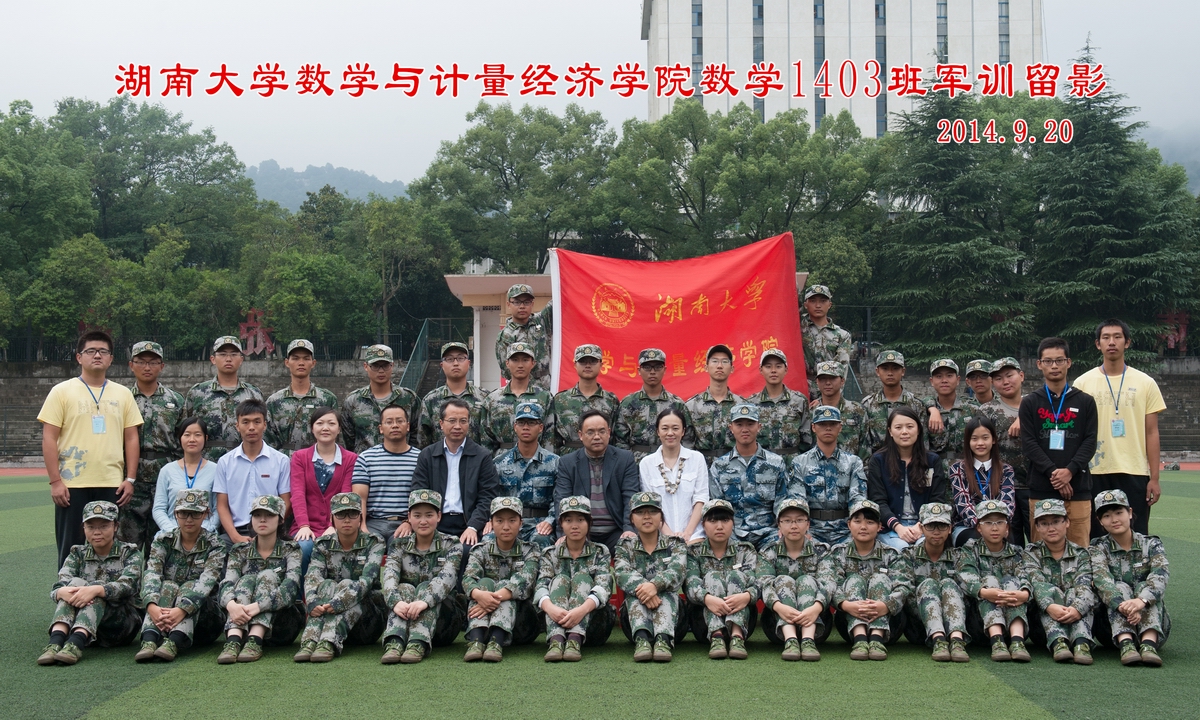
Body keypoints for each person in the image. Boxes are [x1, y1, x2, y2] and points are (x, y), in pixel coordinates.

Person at [40, 330, 143, 569]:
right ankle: (68, 590)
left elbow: (131, 438)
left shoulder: (123, 394)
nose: (97, 355)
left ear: (111, 359)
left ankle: (107, 591)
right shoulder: (61, 391)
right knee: (71, 547)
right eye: (91, 351)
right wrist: (55, 481)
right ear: (79, 357)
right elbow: (49, 437)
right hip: (72, 484)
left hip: (112, 483)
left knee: (110, 548)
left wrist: (130, 479)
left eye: (103, 351)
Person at [1073, 318, 1166, 537]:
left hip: (1134, 470)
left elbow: (1151, 432)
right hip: (1094, 470)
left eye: (1117, 337)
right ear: (1098, 344)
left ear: (1127, 342)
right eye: (1106, 337)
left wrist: (1154, 478)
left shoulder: (1145, 383)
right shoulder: (1082, 383)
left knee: (1135, 534)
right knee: (1096, 535)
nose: (1112, 342)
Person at [37, 501, 143, 666]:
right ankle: (55, 643)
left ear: (116, 526)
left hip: (120, 625)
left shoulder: (130, 553)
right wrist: (60, 592)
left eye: (104, 526)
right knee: (74, 584)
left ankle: (75, 644)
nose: (97, 532)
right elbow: (61, 583)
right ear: (84, 528)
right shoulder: (77, 553)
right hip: (83, 620)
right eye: (91, 527)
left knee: (96, 589)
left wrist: (96, 590)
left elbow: (128, 585)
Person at [1020, 337, 1098, 548]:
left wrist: (1070, 472)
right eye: (1048, 361)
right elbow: (1029, 443)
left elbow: (1090, 441)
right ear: (1039, 364)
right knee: (1041, 551)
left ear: (1068, 362)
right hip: (1042, 488)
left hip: (1078, 488)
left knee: (1080, 549)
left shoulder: (1085, 401)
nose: (1054, 366)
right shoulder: (1030, 402)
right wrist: (1054, 474)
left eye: (1059, 360)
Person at [135, 491, 227, 662]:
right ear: (175, 513)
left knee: (190, 586)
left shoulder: (215, 545)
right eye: (184, 513)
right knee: (167, 585)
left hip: (205, 621)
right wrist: (151, 606)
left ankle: (173, 643)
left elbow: (206, 583)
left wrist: (182, 610)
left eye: (195, 513)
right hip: (165, 613)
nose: (189, 519)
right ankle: (149, 640)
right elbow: (152, 573)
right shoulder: (163, 541)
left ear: (206, 513)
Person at [296, 492, 387, 663]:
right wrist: (313, 602)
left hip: (367, 621)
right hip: (330, 610)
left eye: (352, 514)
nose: (346, 520)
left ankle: (328, 642)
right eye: (341, 514)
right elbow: (313, 576)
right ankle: (309, 641)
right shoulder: (323, 544)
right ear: (332, 518)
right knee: (326, 585)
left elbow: (367, 581)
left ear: (360, 517)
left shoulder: (374, 542)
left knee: (347, 584)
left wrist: (340, 602)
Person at [380, 489, 465, 665]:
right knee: (404, 588)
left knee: (427, 586)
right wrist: (396, 602)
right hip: (405, 615)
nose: (423, 521)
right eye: (417, 515)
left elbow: (447, 579)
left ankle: (417, 643)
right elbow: (389, 576)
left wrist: (424, 601)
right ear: (409, 517)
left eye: (429, 515)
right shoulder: (398, 545)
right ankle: (394, 642)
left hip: (443, 623)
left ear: (439, 516)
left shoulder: (452, 544)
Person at [216, 495, 304, 664]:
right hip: (242, 619)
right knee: (246, 580)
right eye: (257, 515)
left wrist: (257, 607)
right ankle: (233, 641)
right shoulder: (240, 550)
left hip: (281, 625)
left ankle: (254, 640)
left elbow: (291, 588)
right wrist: (232, 605)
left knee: (267, 575)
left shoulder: (291, 549)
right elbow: (227, 583)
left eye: (269, 515)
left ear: (280, 519)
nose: (262, 520)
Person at [822, 499, 913, 661]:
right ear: (849, 525)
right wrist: (846, 605)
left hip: (889, 623)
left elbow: (904, 586)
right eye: (857, 521)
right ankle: (860, 639)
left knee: (879, 578)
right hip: (848, 623)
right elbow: (829, 584)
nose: (863, 527)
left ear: (879, 526)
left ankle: (877, 639)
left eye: (870, 522)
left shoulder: (892, 555)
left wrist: (886, 605)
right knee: (854, 580)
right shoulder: (837, 554)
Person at [410, 398, 501, 557]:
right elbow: (419, 492)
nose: (457, 426)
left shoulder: (482, 456)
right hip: (435, 521)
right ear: (441, 423)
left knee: (466, 551)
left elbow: (488, 496)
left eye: (463, 421)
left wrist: (473, 526)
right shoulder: (428, 455)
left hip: (468, 522)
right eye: (452, 421)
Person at [1089, 489, 1169, 667]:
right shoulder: (1097, 547)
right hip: (1110, 630)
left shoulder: (1151, 544)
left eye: (1119, 513)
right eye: (1107, 516)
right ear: (1100, 521)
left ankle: (1149, 645)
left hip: (1154, 623)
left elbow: (1160, 576)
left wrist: (1141, 602)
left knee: (1145, 588)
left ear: (1130, 513)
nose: (1114, 519)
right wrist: (1123, 606)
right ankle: (1126, 644)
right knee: (1119, 587)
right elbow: (1102, 580)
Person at [462, 496, 542, 662]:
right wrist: (479, 595)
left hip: (522, 624)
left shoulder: (530, 550)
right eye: (499, 521)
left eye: (512, 521)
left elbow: (525, 581)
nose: (506, 527)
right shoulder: (480, 550)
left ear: (520, 523)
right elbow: (468, 578)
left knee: (507, 586)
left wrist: (490, 599)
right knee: (483, 584)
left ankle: (496, 642)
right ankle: (476, 641)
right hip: (485, 619)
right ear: (491, 523)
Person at [537, 496, 616, 663]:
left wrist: (581, 611)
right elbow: (540, 586)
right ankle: (556, 641)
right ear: (561, 523)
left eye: (580, 520)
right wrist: (550, 608)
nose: (574, 525)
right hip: (556, 619)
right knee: (560, 579)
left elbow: (604, 587)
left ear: (589, 522)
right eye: (568, 520)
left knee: (582, 578)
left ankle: (574, 640)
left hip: (593, 626)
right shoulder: (550, 554)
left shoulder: (600, 552)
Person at [709, 403, 795, 550]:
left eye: (750, 424)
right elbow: (717, 505)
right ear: (731, 428)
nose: (745, 429)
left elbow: (782, 503)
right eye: (739, 424)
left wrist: (783, 527)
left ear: (759, 427)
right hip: (732, 534)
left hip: (769, 534)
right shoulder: (719, 466)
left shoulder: (775, 463)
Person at [955, 498, 1032, 663]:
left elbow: (1026, 576)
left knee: (1013, 583)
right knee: (989, 581)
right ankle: (997, 641)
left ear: (1007, 527)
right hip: (980, 623)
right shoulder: (970, 550)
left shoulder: (1017, 552)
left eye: (1000, 522)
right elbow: (966, 576)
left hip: (1013, 617)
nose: (995, 528)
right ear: (979, 527)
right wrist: (984, 592)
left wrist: (1024, 593)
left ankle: (1017, 642)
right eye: (988, 523)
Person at [614, 491, 688, 663]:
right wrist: (646, 590)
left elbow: (678, 570)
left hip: (674, 622)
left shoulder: (675, 544)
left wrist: (654, 586)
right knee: (635, 594)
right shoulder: (625, 546)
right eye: (640, 512)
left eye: (653, 511)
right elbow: (621, 573)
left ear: (661, 517)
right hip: (633, 622)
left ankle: (664, 640)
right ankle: (642, 640)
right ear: (632, 519)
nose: (647, 517)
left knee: (667, 592)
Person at [555, 409, 641, 553]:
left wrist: (629, 529)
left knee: (631, 547)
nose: (597, 437)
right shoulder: (568, 462)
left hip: (616, 531)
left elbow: (630, 497)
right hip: (581, 531)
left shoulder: (624, 459)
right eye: (590, 432)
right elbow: (561, 499)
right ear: (580, 435)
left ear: (609, 432)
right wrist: (563, 533)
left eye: (601, 431)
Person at [125, 340, 183, 551]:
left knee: (161, 542)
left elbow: (182, 439)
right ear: (131, 365)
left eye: (153, 362)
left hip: (164, 474)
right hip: (132, 477)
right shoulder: (122, 398)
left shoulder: (175, 400)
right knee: (128, 542)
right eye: (141, 362)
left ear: (162, 366)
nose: (147, 367)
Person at [1024, 498, 1097, 665]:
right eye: (1044, 523)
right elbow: (1038, 585)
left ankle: (1081, 643)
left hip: (1077, 615)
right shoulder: (1031, 553)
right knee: (1051, 592)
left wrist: (1077, 609)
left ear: (1067, 522)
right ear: (1037, 527)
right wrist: (1050, 606)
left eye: (1056, 521)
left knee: (1075, 594)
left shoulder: (1081, 553)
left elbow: (1084, 585)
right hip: (1042, 624)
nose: (1051, 528)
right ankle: (1058, 642)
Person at [685, 499, 761, 660]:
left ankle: (737, 636)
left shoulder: (745, 551)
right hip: (703, 623)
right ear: (703, 525)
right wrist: (708, 599)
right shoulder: (693, 552)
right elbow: (691, 584)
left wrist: (747, 596)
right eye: (713, 521)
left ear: (733, 523)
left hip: (744, 620)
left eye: (725, 520)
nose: (719, 526)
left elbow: (757, 582)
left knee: (735, 575)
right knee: (712, 576)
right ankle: (717, 636)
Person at [759, 498, 831, 662]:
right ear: (779, 525)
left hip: (817, 622)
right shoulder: (769, 552)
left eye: (799, 520)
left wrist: (815, 608)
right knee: (783, 580)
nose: (793, 526)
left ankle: (808, 640)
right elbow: (764, 583)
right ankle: (790, 640)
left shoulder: (821, 551)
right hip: (777, 623)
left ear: (808, 524)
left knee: (807, 580)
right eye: (787, 521)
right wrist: (779, 607)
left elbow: (828, 583)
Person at [866, 407, 949, 550]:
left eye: (910, 427)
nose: (904, 432)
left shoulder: (932, 461)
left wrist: (921, 525)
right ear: (890, 431)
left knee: (924, 549)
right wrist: (898, 527)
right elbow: (878, 501)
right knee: (902, 548)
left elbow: (937, 499)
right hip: (891, 529)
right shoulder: (878, 460)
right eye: (898, 427)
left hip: (926, 526)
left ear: (918, 430)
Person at [212, 399, 291, 544]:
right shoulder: (225, 462)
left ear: (265, 425)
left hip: (271, 530)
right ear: (237, 426)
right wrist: (235, 537)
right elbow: (222, 505)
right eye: (245, 422)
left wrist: (268, 532)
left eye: (257, 422)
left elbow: (286, 501)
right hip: (236, 531)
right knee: (216, 548)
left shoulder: (281, 460)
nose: (251, 427)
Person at [290, 407, 358, 573]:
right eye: (320, 423)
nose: (325, 428)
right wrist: (304, 525)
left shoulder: (351, 459)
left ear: (339, 429)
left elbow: (345, 496)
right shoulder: (300, 457)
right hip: (306, 525)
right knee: (304, 547)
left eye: (331, 423)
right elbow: (297, 494)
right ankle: (301, 590)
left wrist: (333, 525)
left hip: (338, 525)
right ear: (312, 428)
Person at [789, 405, 867, 546]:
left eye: (832, 424)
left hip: (846, 530)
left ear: (840, 427)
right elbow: (798, 501)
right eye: (823, 424)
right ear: (813, 427)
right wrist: (803, 531)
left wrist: (857, 530)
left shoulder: (853, 462)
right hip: (812, 530)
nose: (828, 428)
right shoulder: (800, 462)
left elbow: (858, 500)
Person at [903, 503, 970, 663]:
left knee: (949, 584)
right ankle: (938, 640)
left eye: (942, 526)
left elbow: (969, 590)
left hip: (956, 621)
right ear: (921, 528)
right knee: (928, 584)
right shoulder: (908, 556)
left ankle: (957, 642)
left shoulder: (960, 556)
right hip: (919, 626)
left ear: (950, 528)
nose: (936, 531)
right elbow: (905, 592)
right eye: (931, 526)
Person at [183, 336, 263, 462]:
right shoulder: (198, 393)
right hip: (208, 461)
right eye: (223, 354)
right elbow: (186, 430)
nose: (228, 359)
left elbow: (262, 430)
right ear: (213, 359)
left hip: (244, 459)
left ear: (241, 359)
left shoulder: (253, 393)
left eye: (234, 354)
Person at [491, 401, 558, 550]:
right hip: (507, 522)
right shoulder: (499, 463)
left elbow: (558, 499)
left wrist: (550, 521)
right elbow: (491, 496)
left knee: (541, 539)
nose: (526, 427)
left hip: (539, 523)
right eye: (521, 423)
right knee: (488, 539)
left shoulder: (554, 463)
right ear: (515, 426)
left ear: (540, 427)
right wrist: (491, 520)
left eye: (531, 423)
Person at [976, 357, 1030, 543]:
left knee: (1037, 535)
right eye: (998, 378)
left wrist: (1023, 416)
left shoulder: (1035, 404)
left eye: (1009, 375)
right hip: (1002, 487)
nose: (1005, 382)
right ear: (992, 382)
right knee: (1010, 539)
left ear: (1021, 376)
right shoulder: (987, 411)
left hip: (1033, 484)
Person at [639, 408, 708, 543]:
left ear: (683, 431)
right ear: (658, 432)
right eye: (665, 428)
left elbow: (701, 498)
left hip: (695, 536)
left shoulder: (697, 459)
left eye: (675, 428)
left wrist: (687, 534)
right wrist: (670, 536)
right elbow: (651, 505)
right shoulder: (646, 463)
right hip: (660, 538)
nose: (670, 433)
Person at [352, 404, 419, 541]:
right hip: (373, 523)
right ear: (381, 428)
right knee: (368, 547)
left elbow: (422, 497)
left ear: (408, 426)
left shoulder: (420, 458)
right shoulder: (366, 458)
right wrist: (362, 527)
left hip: (405, 523)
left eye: (400, 421)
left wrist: (409, 522)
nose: (395, 425)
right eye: (389, 422)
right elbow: (359, 498)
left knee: (402, 547)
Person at [615, 348, 693, 464]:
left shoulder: (677, 404)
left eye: (657, 367)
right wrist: (627, 465)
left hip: (670, 461)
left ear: (664, 370)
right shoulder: (628, 403)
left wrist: (681, 463)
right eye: (647, 367)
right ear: (639, 370)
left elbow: (687, 439)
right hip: (636, 463)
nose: (652, 372)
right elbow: (620, 440)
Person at [948, 416, 1016, 547]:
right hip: (967, 526)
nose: (980, 443)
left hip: (998, 526)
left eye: (985, 438)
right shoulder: (957, 469)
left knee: (1010, 540)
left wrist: (998, 525)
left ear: (993, 440)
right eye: (974, 439)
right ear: (968, 441)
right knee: (975, 539)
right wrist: (983, 527)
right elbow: (963, 504)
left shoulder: (1006, 470)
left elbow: (1008, 504)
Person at [860, 350, 943, 455]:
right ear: (877, 371)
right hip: (879, 461)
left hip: (910, 460)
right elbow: (865, 443)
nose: (890, 373)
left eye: (895, 368)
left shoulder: (915, 404)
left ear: (903, 371)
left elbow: (922, 442)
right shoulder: (868, 404)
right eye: (885, 369)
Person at [342, 344, 420, 453]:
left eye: (385, 365)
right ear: (366, 366)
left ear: (392, 365)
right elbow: (349, 440)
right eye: (375, 365)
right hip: (366, 462)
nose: (381, 371)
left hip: (401, 461)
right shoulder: (353, 401)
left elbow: (417, 436)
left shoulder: (408, 398)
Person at [480, 342, 555, 456]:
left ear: (533, 363)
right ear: (507, 363)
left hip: (535, 458)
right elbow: (486, 439)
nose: (520, 365)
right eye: (515, 360)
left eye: (525, 360)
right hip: (502, 459)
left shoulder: (544, 397)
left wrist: (546, 461)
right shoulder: (492, 399)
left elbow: (549, 436)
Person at [266, 339, 339, 453]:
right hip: (284, 459)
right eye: (295, 358)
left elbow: (335, 437)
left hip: (317, 458)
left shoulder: (327, 399)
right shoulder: (274, 401)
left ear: (313, 363)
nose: (301, 363)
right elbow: (268, 440)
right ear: (287, 362)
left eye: (306, 358)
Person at [547, 344, 619, 454]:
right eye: (583, 362)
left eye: (593, 361)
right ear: (575, 365)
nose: (588, 366)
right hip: (568, 457)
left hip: (602, 456)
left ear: (601, 364)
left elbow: (615, 438)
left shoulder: (611, 400)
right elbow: (552, 438)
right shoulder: (560, 399)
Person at [152, 418, 219, 534]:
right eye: (187, 435)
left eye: (197, 435)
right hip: (171, 532)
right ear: (180, 438)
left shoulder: (216, 470)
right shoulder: (167, 470)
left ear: (206, 438)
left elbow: (218, 509)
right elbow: (159, 509)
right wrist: (172, 531)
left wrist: (205, 530)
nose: (192, 439)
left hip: (205, 533)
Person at [746, 349, 812, 465]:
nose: (773, 370)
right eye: (768, 366)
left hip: (792, 464)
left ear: (786, 370)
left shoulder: (799, 401)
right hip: (761, 464)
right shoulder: (751, 403)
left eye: (778, 366)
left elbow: (807, 439)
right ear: (761, 370)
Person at [417, 342, 488, 447]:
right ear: (442, 365)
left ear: (468, 363)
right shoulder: (430, 400)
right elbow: (423, 440)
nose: (455, 363)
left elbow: (490, 436)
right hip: (441, 456)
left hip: (477, 456)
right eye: (449, 359)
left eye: (460, 358)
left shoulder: (484, 397)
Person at [685, 344, 744, 463]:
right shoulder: (692, 406)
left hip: (734, 465)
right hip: (702, 466)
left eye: (725, 361)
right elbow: (686, 445)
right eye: (715, 361)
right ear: (706, 367)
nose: (719, 366)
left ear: (732, 368)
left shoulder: (742, 405)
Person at [495, 283, 553, 390]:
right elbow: (506, 370)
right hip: (521, 388)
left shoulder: (542, 321)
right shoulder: (506, 335)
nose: (522, 306)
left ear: (532, 304)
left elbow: (559, 301)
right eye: (517, 302)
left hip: (546, 386)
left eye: (526, 302)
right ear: (508, 304)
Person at [800, 284, 853, 398]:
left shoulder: (842, 335)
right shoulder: (797, 329)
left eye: (823, 301)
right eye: (813, 301)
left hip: (828, 392)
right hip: (800, 391)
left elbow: (841, 368)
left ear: (829, 304)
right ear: (805, 304)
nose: (818, 305)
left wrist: (828, 398)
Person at [926, 359, 979, 467]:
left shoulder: (973, 408)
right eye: (939, 376)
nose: (944, 380)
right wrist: (932, 409)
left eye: (949, 376)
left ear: (958, 380)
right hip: (935, 469)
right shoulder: (924, 410)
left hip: (967, 468)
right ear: (932, 381)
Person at [813, 361, 867, 459]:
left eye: (832, 378)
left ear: (842, 381)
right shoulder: (811, 411)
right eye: (823, 379)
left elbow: (865, 446)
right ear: (817, 382)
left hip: (851, 467)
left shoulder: (857, 410)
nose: (828, 383)